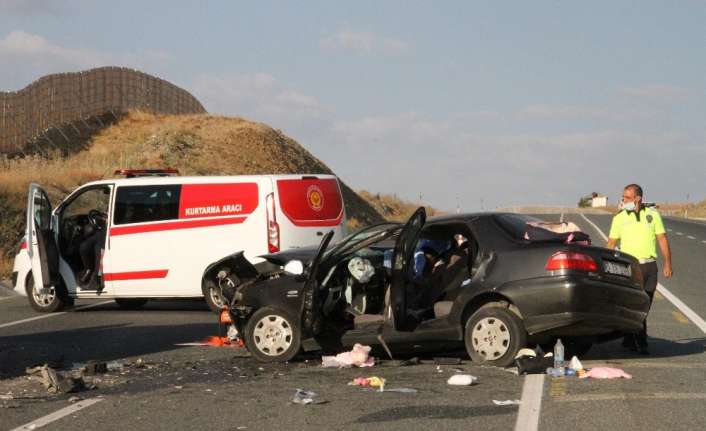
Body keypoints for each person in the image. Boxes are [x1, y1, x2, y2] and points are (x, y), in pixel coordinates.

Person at [606, 183, 673, 354]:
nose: (624, 200)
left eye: (627, 198)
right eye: (623, 197)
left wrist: (667, 263)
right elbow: (611, 244)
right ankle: (641, 343)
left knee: (646, 306)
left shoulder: (652, 215)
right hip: (630, 267)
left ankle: (629, 337)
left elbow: (662, 239)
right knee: (638, 306)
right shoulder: (619, 218)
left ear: (638, 199)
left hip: (650, 267)